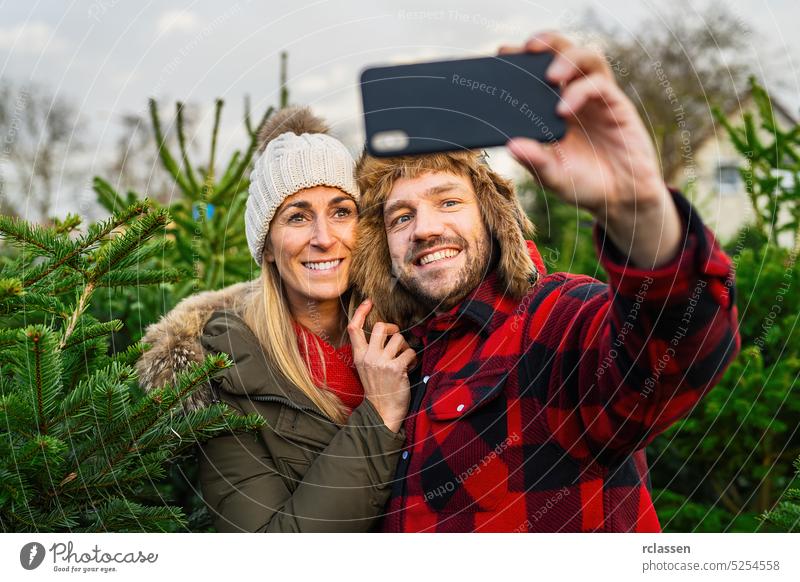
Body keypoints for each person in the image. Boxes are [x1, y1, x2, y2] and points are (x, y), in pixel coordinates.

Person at [348, 31, 742, 532]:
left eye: (448, 201)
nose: (424, 229)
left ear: (493, 218)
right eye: (400, 217)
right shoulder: (391, 359)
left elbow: (675, 349)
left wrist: (634, 208)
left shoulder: (553, 318)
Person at [135, 107, 416, 532]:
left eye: (342, 211)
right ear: (266, 246)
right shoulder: (223, 366)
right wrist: (378, 414)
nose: (324, 238)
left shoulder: (413, 330)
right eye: (298, 216)